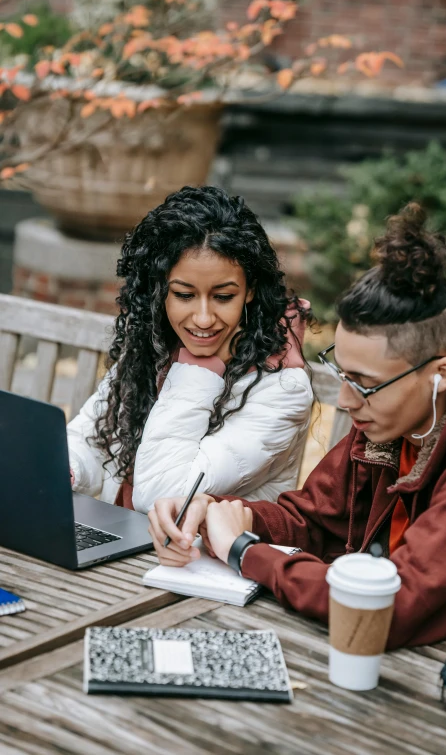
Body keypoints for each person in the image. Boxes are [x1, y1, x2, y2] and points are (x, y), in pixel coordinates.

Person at [148, 202, 446, 649]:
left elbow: (389, 606)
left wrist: (244, 551)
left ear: (440, 373)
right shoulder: (400, 411)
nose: (346, 402)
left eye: (364, 383)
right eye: (341, 373)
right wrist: (213, 510)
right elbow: (311, 518)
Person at [67, 186, 313, 515]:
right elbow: (89, 441)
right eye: (184, 294)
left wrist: (199, 369)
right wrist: (67, 469)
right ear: (161, 290)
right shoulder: (155, 346)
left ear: (250, 290)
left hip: (199, 558)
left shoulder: (282, 388)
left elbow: (160, 497)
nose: (203, 318)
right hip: (125, 543)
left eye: (223, 296)